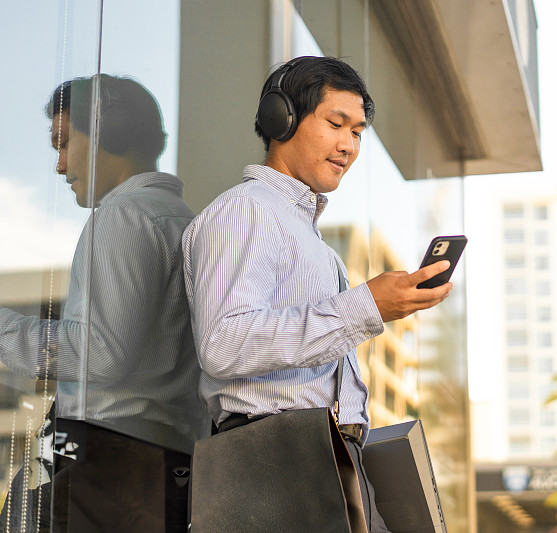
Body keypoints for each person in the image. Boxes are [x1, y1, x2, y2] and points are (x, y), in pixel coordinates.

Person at [182, 55, 452, 532]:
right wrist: (367, 306)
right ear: (280, 119)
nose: (348, 145)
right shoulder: (246, 211)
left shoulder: (310, 239)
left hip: (325, 453)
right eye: (336, 124)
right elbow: (223, 344)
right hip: (278, 463)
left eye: (358, 132)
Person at [0, 74, 207, 532]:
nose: (59, 165)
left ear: (107, 133)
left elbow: (102, 353)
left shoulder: (122, 217)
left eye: (63, 142)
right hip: (163, 461)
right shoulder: (183, 222)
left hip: (110, 461)